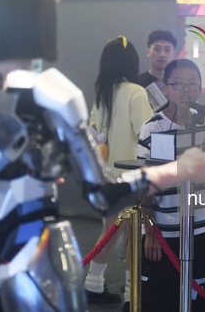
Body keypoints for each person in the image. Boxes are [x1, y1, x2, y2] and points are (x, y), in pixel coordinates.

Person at [0, 0, 205, 312]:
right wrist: (177, 170)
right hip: (37, 253)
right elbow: (102, 195)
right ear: (38, 21)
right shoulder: (52, 92)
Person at [137, 58, 205, 312]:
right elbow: (145, 186)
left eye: (193, 84)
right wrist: (151, 231)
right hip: (163, 230)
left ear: (201, 89)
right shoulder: (152, 128)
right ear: (165, 88)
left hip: (197, 229)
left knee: (197, 294)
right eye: (178, 84)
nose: (187, 90)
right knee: (162, 297)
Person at [84, 36, 154, 304]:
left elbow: (93, 132)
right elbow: (147, 132)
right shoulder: (136, 92)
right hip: (132, 176)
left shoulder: (102, 93)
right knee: (133, 237)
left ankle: (93, 283)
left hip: (107, 176)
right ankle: (130, 295)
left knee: (109, 232)